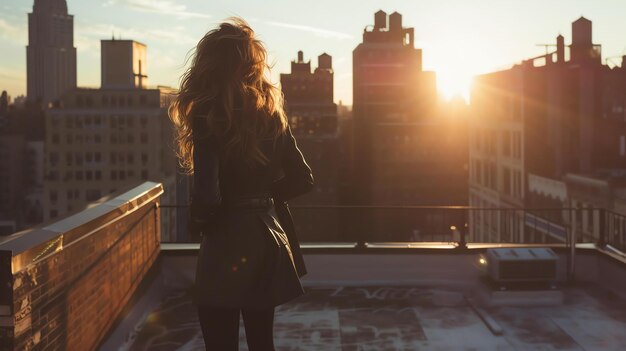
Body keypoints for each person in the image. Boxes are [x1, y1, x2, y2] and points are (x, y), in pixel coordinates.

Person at [169, 17, 314, 351]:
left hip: (226, 242)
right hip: (269, 238)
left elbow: (207, 193)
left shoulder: (209, 113)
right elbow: (303, 179)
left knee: (220, 342)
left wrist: (200, 222)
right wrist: (263, 199)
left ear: (210, 65)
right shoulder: (272, 112)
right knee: (262, 341)